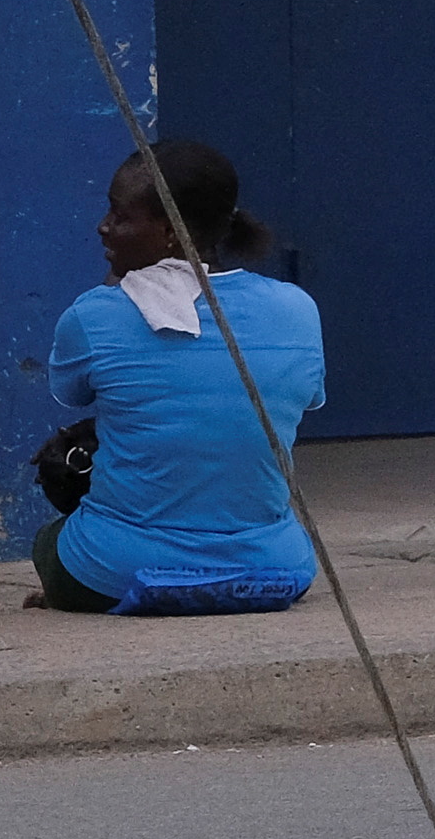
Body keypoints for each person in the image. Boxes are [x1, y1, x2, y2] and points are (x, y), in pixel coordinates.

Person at [34, 141, 327, 615]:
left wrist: (118, 289)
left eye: (120, 215)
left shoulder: (95, 315)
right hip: (276, 568)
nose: (103, 226)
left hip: (114, 571)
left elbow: (71, 394)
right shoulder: (297, 309)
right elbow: (303, 400)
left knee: (51, 537)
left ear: (170, 233)